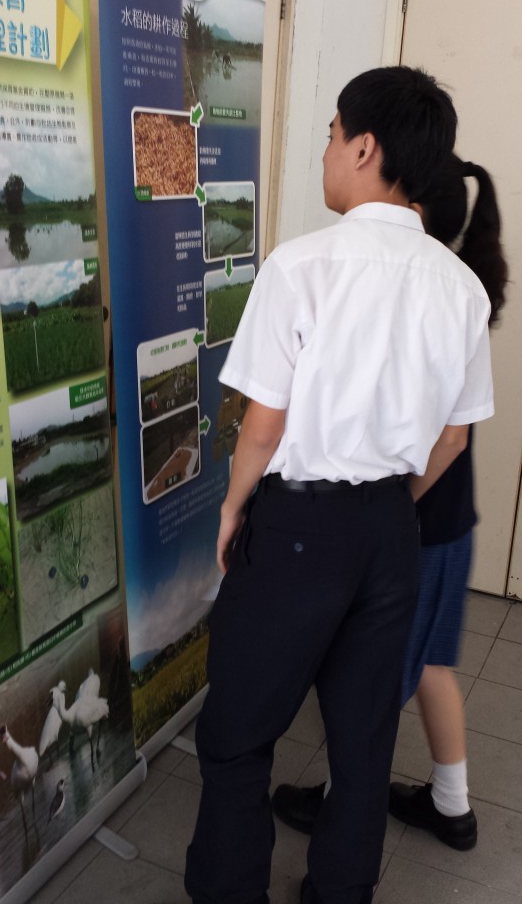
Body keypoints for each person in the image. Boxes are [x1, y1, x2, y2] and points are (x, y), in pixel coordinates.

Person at [184, 67, 495, 904]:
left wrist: (235, 508)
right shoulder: (460, 287)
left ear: (364, 148)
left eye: (330, 135)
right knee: (362, 747)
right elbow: (454, 436)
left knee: (237, 736)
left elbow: (263, 427)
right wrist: (386, 506)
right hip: (392, 532)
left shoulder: (301, 266)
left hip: (297, 531)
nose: (325, 151)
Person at [271, 155, 508, 853]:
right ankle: (452, 805)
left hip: (419, 521)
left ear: (416, 210)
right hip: (450, 520)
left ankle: (344, 805)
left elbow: (447, 438)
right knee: (430, 662)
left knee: (374, 680)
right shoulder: (456, 287)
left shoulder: (419, 287)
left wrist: (393, 504)